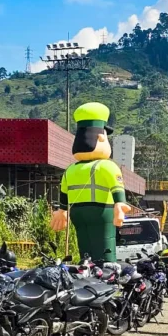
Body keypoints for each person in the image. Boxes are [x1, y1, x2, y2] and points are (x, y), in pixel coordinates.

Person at [50, 102, 131, 262]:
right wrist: (120, 205)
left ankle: (85, 270)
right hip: (101, 212)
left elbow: (64, 195)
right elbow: (117, 189)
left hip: (77, 214)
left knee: (85, 248)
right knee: (105, 248)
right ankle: (107, 276)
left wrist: (62, 212)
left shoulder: (70, 169)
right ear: (101, 137)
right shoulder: (107, 165)